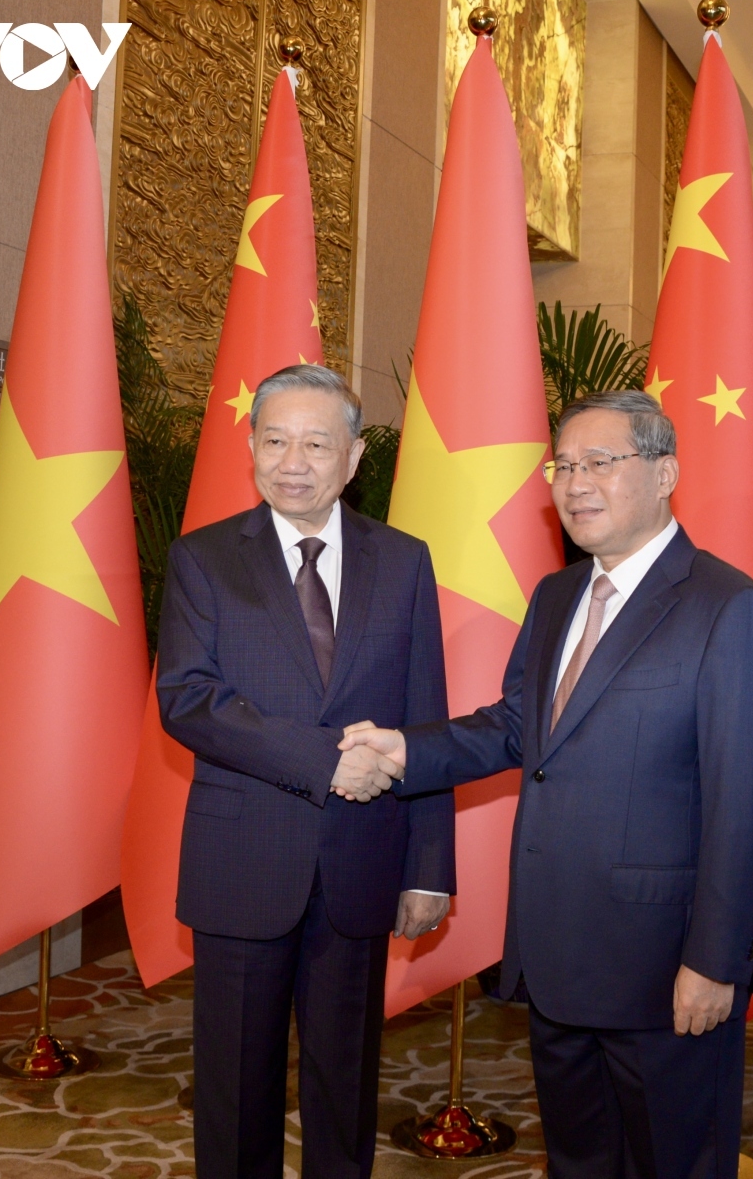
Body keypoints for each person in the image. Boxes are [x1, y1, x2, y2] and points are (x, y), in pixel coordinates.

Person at [337, 390, 753, 1179]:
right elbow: (519, 729)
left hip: (663, 971)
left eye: (600, 463)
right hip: (555, 959)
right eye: (564, 466)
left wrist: (716, 962)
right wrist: (406, 750)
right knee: (580, 1162)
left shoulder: (731, 609)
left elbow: (746, 808)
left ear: (664, 474)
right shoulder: (558, 596)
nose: (575, 484)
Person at [156, 364, 455, 1179]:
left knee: (345, 1088)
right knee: (234, 1091)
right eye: (275, 440)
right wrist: (329, 762)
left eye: (316, 444)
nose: (293, 462)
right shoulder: (204, 559)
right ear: (251, 447)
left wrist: (429, 865)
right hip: (243, 863)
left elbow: (426, 715)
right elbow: (188, 701)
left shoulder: (404, 562)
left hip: (362, 863)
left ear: (352, 458)